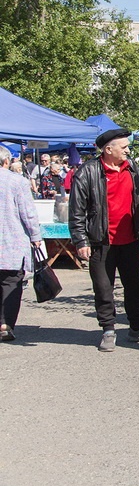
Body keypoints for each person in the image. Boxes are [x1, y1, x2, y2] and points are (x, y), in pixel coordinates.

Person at [68, 128, 139, 352]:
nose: (128, 150)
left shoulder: (132, 168)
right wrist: (81, 241)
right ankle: (108, 329)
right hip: (101, 241)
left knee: (134, 285)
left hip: (130, 240)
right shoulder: (87, 173)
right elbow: (76, 211)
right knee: (103, 288)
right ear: (108, 149)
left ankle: (136, 327)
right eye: (124, 147)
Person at [0, 145, 42, 342]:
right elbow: (28, 213)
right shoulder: (17, 182)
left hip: (10, 240)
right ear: (6, 162)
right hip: (11, 241)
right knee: (11, 283)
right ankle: (5, 324)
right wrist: (36, 236)